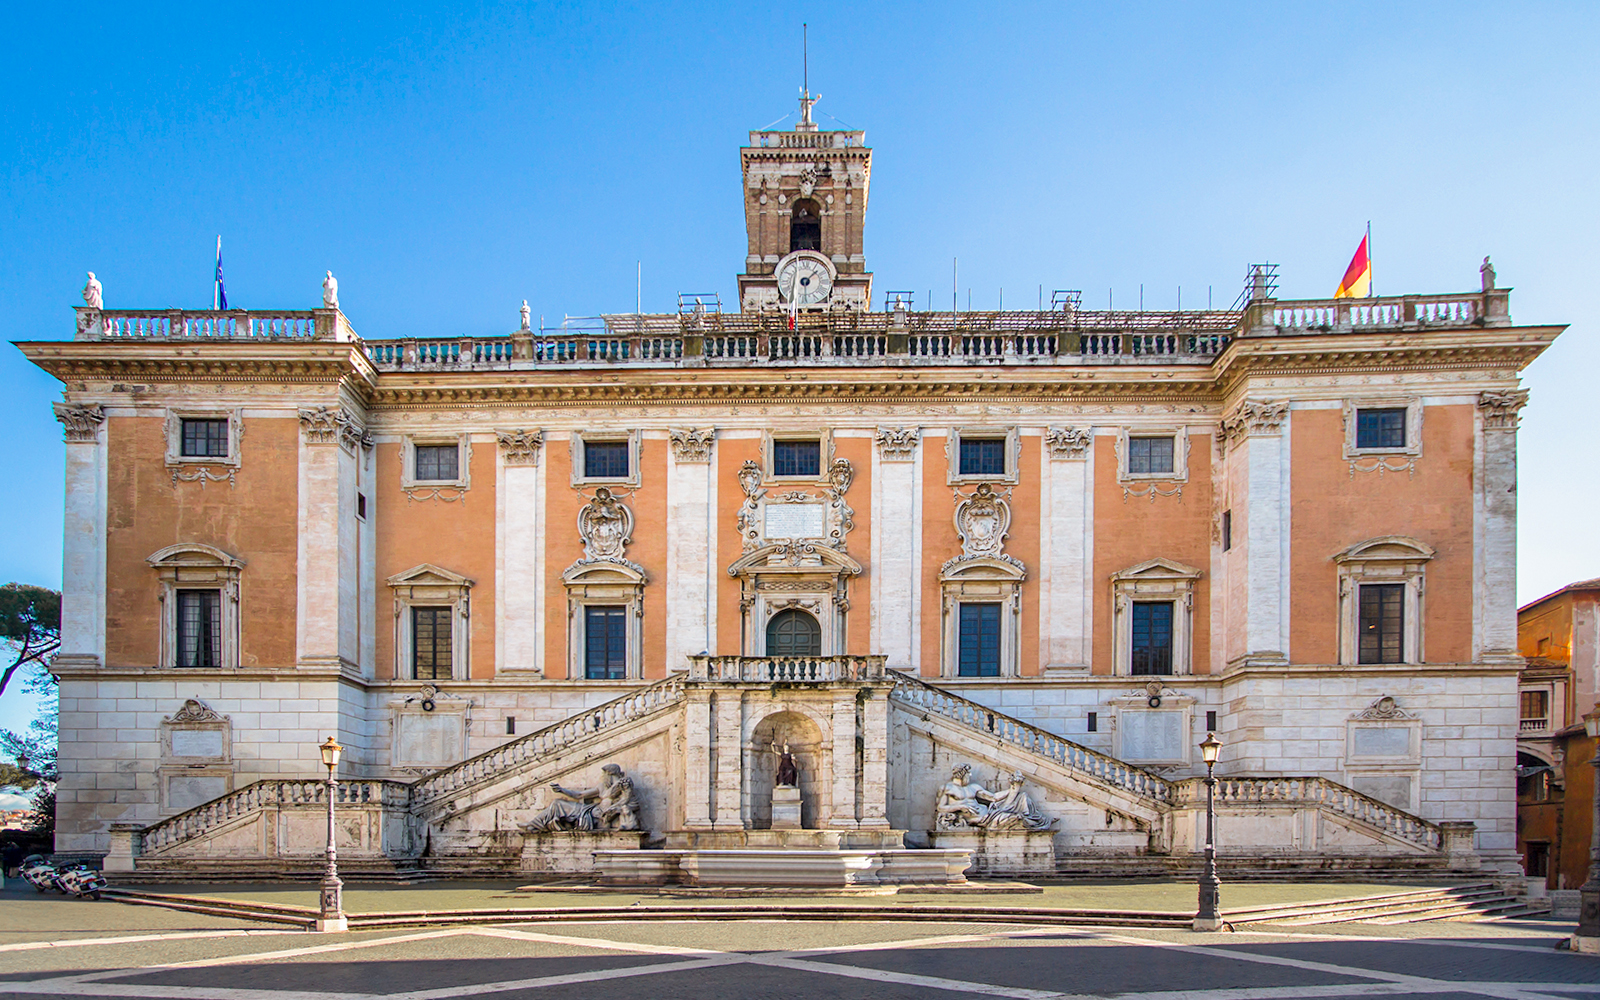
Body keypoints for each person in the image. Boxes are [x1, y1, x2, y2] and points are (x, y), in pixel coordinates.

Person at [524, 763, 639, 833]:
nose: (603, 777)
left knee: (558, 804)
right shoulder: (602, 786)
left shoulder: (622, 783)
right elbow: (579, 795)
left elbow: (627, 799)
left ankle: (533, 825)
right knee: (557, 803)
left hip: (597, 814)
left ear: (610, 773)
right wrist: (562, 790)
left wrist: (613, 809)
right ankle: (534, 824)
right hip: (591, 810)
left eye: (605, 774)